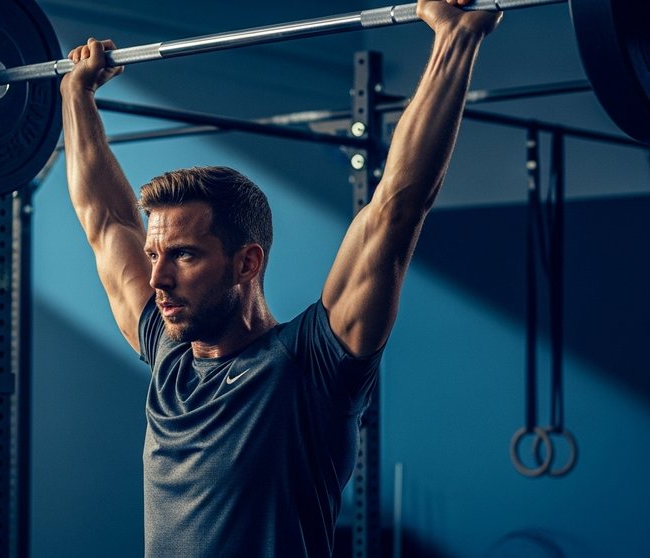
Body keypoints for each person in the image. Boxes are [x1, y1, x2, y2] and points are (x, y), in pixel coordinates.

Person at [59, 0, 500, 556]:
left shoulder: (311, 363)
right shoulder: (169, 353)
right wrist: (76, 95)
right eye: (154, 256)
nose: (160, 279)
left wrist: (454, 40)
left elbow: (396, 209)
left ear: (247, 263)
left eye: (185, 256)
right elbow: (106, 221)